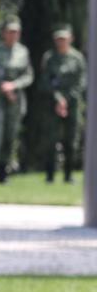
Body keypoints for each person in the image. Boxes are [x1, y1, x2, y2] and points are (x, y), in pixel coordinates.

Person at [0, 17, 33, 182]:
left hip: (15, 100)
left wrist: (14, 86)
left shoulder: (23, 51)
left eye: (16, 31)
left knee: (10, 136)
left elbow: (29, 75)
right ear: (4, 33)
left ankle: (3, 173)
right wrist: (2, 83)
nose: (13, 34)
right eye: (10, 31)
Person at [37, 25, 86, 183]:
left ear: (70, 39)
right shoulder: (49, 58)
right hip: (53, 105)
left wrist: (67, 99)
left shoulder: (78, 58)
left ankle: (68, 175)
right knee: (51, 140)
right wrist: (58, 99)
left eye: (64, 39)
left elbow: (81, 83)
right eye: (58, 39)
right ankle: (50, 175)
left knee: (71, 140)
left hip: (73, 105)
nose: (61, 42)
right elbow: (45, 81)